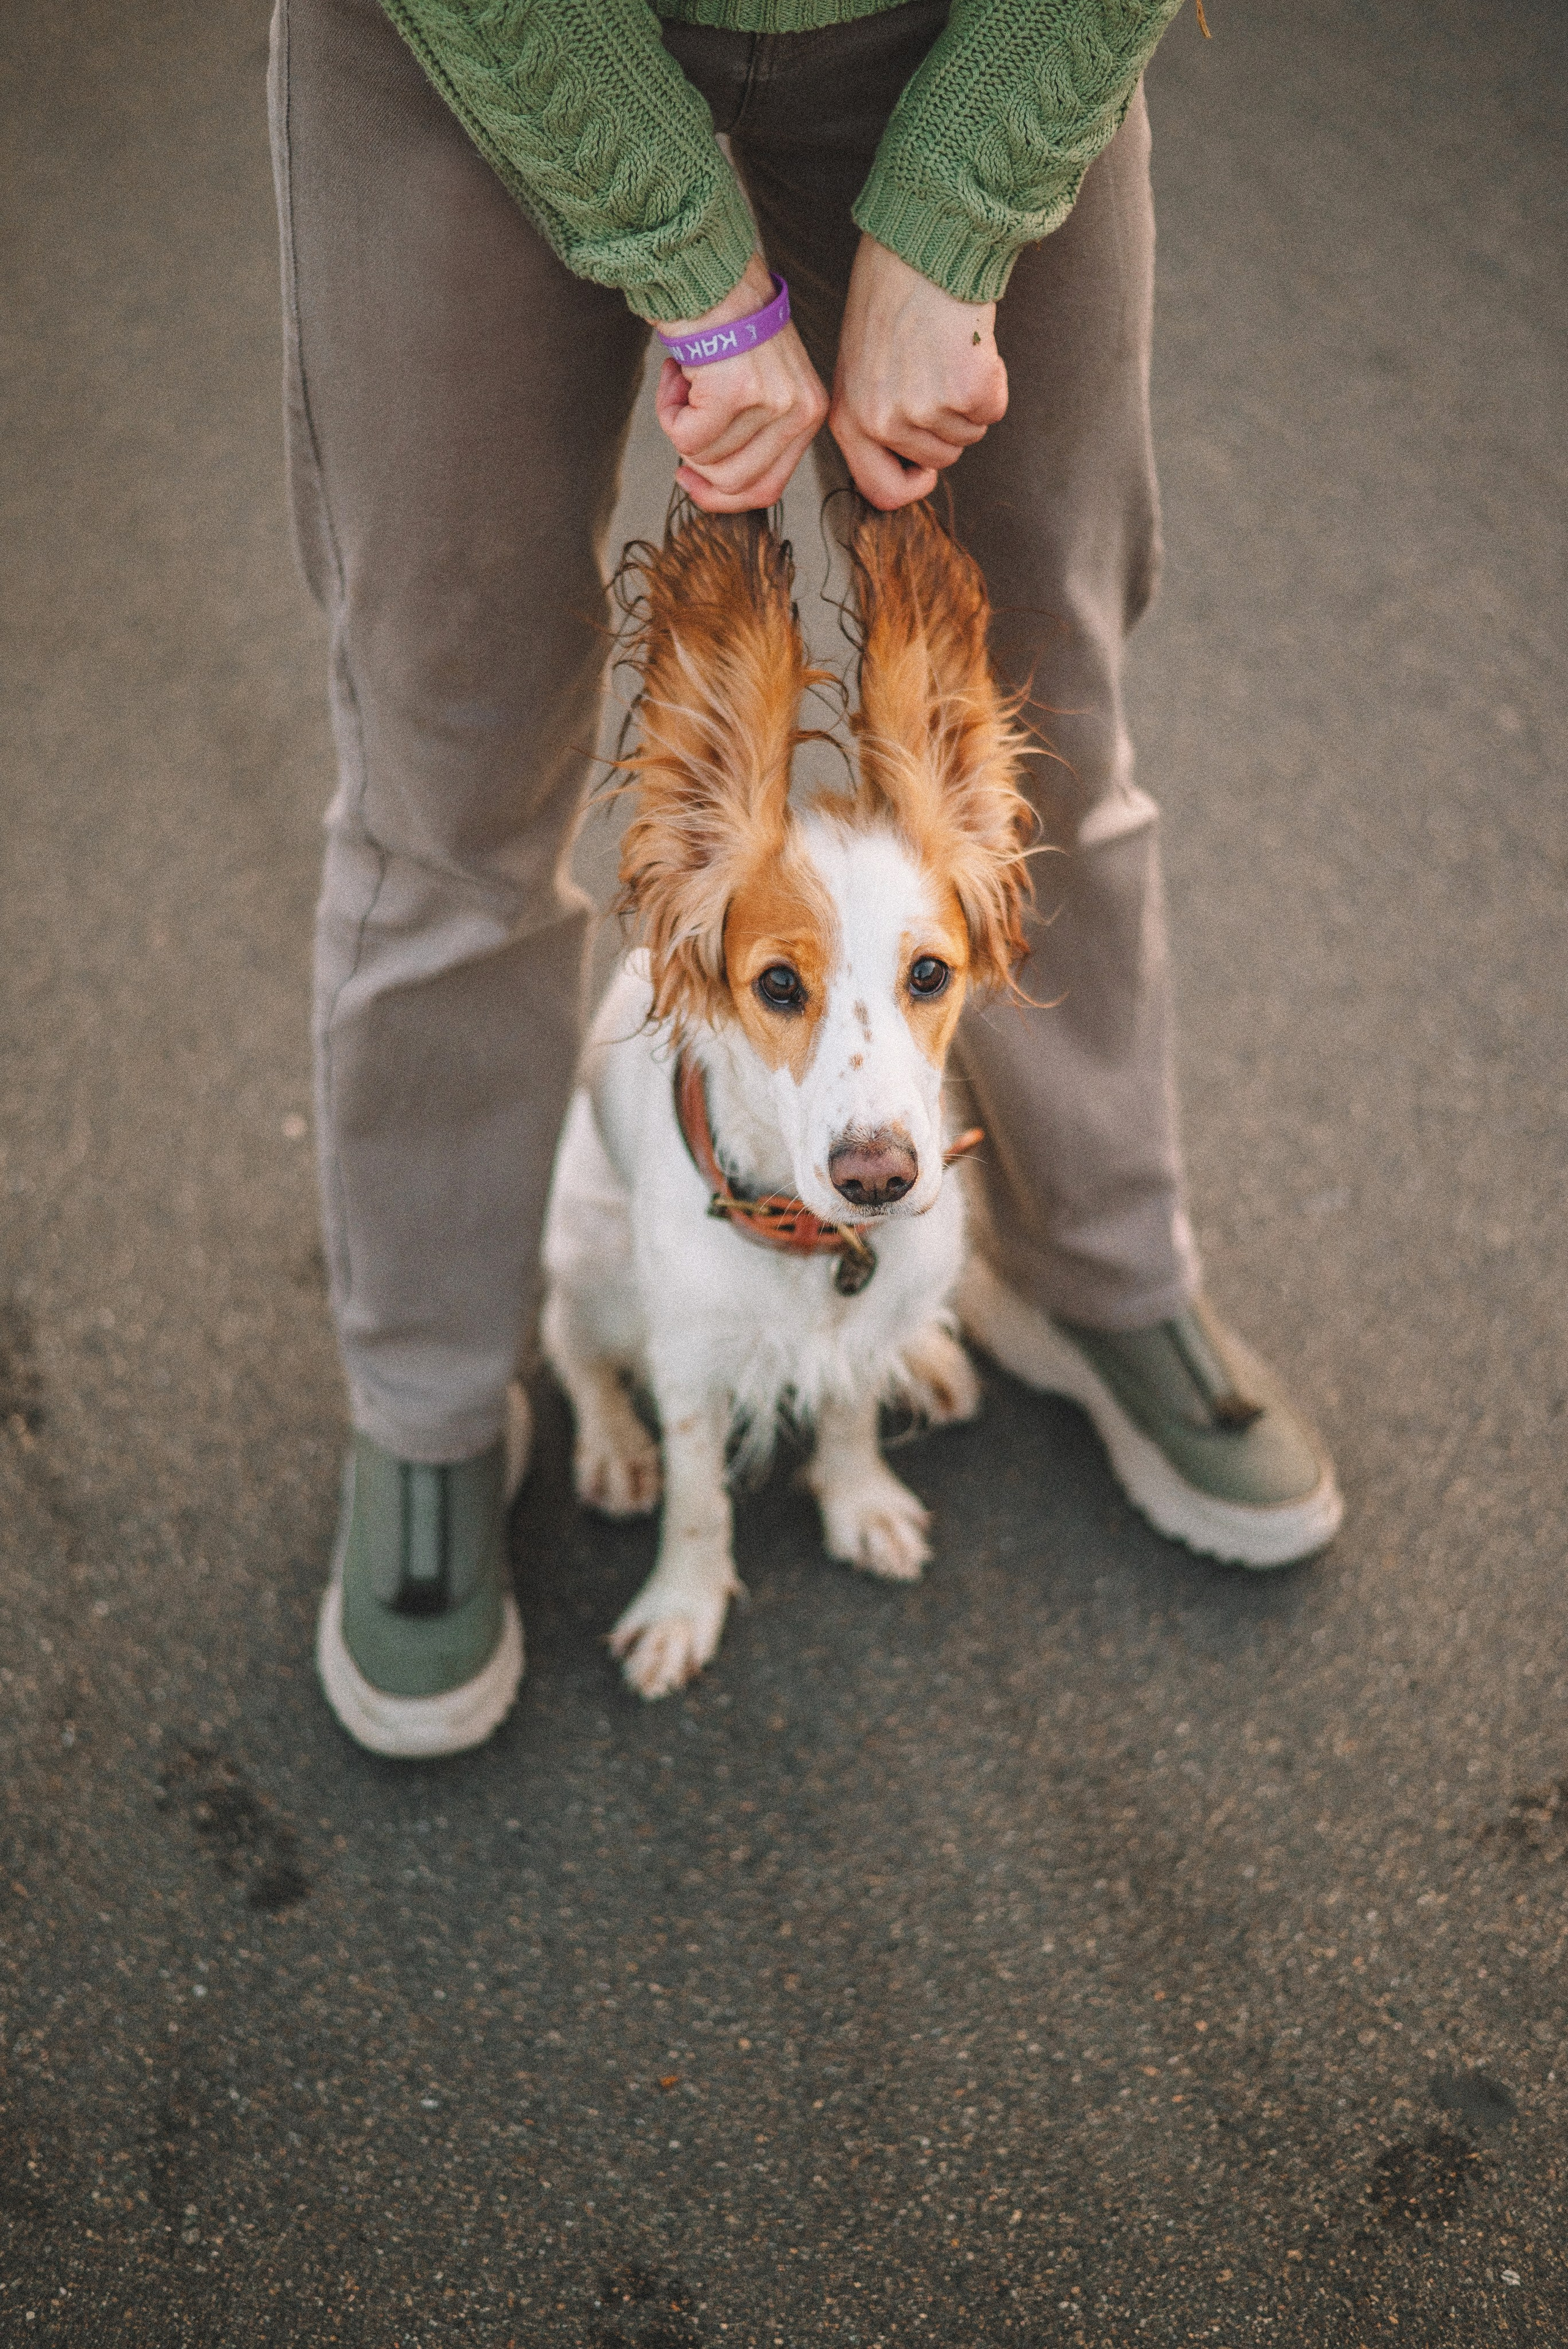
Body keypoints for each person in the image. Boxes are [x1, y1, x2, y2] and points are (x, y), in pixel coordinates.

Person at [268, 0, 1343, 1759]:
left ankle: (1097, 1269)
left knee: (1045, 695)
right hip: (483, 46)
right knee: (444, 754)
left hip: (979, 33)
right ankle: (435, 1400)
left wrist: (960, 198)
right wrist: (701, 272)